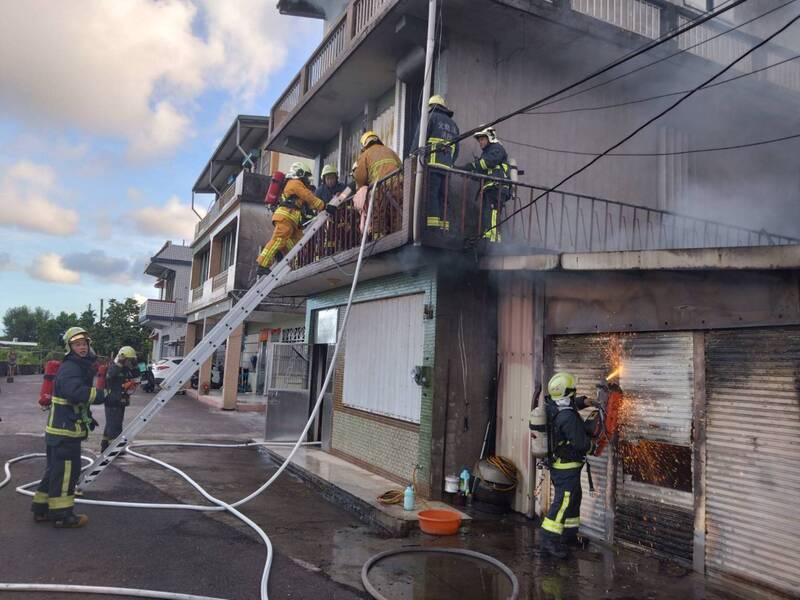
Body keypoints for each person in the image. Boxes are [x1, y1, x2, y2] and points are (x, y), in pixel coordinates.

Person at [31, 327, 107, 528]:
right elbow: (75, 392)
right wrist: (101, 395)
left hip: (61, 429)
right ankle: (63, 516)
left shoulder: (76, 365)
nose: (82, 347)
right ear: (69, 347)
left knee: (55, 471)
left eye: (84, 344)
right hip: (65, 431)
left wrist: (87, 416)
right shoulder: (71, 367)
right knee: (66, 473)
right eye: (77, 344)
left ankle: (41, 509)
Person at [539, 371, 602, 558]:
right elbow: (581, 443)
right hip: (566, 467)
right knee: (564, 501)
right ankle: (548, 539)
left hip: (564, 466)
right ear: (567, 391)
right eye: (573, 390)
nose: (575, 391)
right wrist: (594, 446)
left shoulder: (554, 405)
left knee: (574, 499)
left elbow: (572, 404)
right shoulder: (567, 417)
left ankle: (569, 535)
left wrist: (587, 401)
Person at [255, 162, 336, 276]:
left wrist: (322, 208)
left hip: (292, 220)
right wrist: (325, 206)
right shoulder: (295, 183)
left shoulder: (293, 185)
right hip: (286, 217)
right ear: (300, 173)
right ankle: (262, 265)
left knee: (297, 245)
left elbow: (308, 203)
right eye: (306, 176)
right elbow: (308, 196)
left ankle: (283, 257)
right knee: (279, 239)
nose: (307, 179)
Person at [414, 95, 459, 232]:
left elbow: (419, 140)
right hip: (447, 168)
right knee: (444, 196)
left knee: (432, 194)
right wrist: (450, 162)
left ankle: (433, 226)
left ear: (431, 106)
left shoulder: (430, 118)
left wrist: (413, 155)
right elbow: (456, 150)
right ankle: (444, 227)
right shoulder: (453, 125)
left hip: (432, 165)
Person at [460, 126, 510, 243]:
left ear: (490, 138)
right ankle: (488, 236)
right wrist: (467, 171)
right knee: (487, 213)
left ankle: (492, 240)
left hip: (497, 187)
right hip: (491, 188)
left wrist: (472, 166)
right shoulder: (488, 152)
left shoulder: (497, 148)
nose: (480, 142)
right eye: (479, 140)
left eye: (482, 139)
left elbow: (487, 163)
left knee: (492, 213)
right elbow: (481, 171)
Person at [354, 131, 402, 237]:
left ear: (364, 145)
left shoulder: (365, 154)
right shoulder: (391, 151)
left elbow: (360, 177)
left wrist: (360, 189)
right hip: (398, 185)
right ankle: (397, 236)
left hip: (380, 188)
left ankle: (377, 240)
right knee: (397, 214)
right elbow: (400, 167)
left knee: (378, 218)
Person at [101, 346, 139, 453]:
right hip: (112, 401)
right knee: (115, 426)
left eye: (132, 360)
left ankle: (105, 446)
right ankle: (113, 451)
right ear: (123, 358)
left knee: (112, 424)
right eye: (129, 359)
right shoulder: (114, 367)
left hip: (121, 400)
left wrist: (135, 366)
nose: (130, 362)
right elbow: (110, 375)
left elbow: (137, 378)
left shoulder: (126, 369)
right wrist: (120, 362)